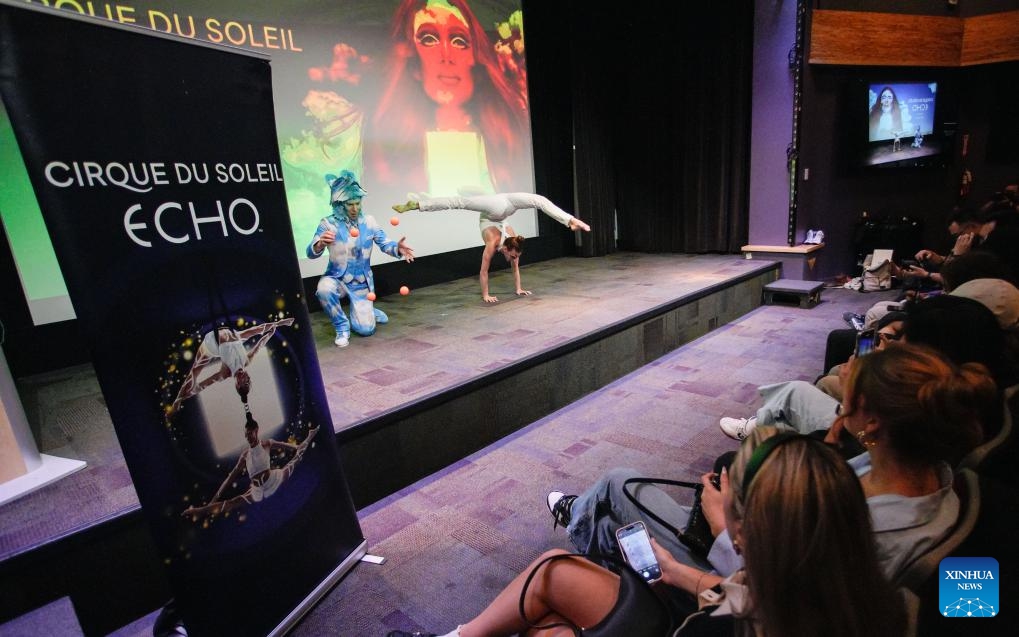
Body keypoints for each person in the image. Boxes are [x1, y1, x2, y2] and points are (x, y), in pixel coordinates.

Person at [385, 431, 905, 637]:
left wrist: (711, 533)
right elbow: (756, 596)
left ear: (744, 535)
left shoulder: (717, 631)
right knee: (554, 578)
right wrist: (677, 572)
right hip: (703, 599)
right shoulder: (893, 600)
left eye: (727, 495)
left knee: (551, 607)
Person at [368, 0, 529, 195]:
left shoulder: (506, 139)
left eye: (459, 41)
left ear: (475, 55)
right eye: (428, 39)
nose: (446, 56)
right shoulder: (390, 147)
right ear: (411, 58)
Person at [393, 192, 591, 302]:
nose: (514, 259)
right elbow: (483, 272)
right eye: (513, 256)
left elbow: (515, 268)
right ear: (506, 249)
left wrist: (519, 289)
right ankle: (417, 205)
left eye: (515, 257)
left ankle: (571, 221)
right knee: (459, 202)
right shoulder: (493, 243)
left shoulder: (514, 242)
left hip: (506, 208)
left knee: (538, 200)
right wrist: (486, 295)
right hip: (494, 211)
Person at [308, 170, 415, 347]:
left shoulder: (369, 221)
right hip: (336, 278)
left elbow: (384, 243)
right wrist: (319, 244)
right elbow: (311, 253)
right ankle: (342, 326)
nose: (355, 208)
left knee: (366, 330)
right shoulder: (327, 224)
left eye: (357, 203)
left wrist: (397, 248)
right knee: (324, 289)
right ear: (339, 204)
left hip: (360, 282)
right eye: (350, 204)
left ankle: (368, 311)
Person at [181, 414, 319, 520]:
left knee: (296, 459)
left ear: (256, 431)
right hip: (256, 490)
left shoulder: (267, 444)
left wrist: (300, 445)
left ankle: (310, 436)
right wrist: (214, 500)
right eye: (246, 435)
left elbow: (295, 448)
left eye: (250, 434)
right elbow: (230, 479)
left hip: (273, 480)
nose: (248, 437)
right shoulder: (245, 455)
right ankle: (200, 511)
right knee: (232, 502)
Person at [168, 318, 296, 417]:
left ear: (237, 384)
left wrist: (180, 400)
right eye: (247, 378)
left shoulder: (226, 373)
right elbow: (259, 344)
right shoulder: (246, 362)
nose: (243, 376)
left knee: (194, 372)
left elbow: (201, 386)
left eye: (242, 381)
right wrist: (275, 328)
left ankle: (177, 399)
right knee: (254, 331)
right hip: (233, 336)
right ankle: (178, 399)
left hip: (210, 346)